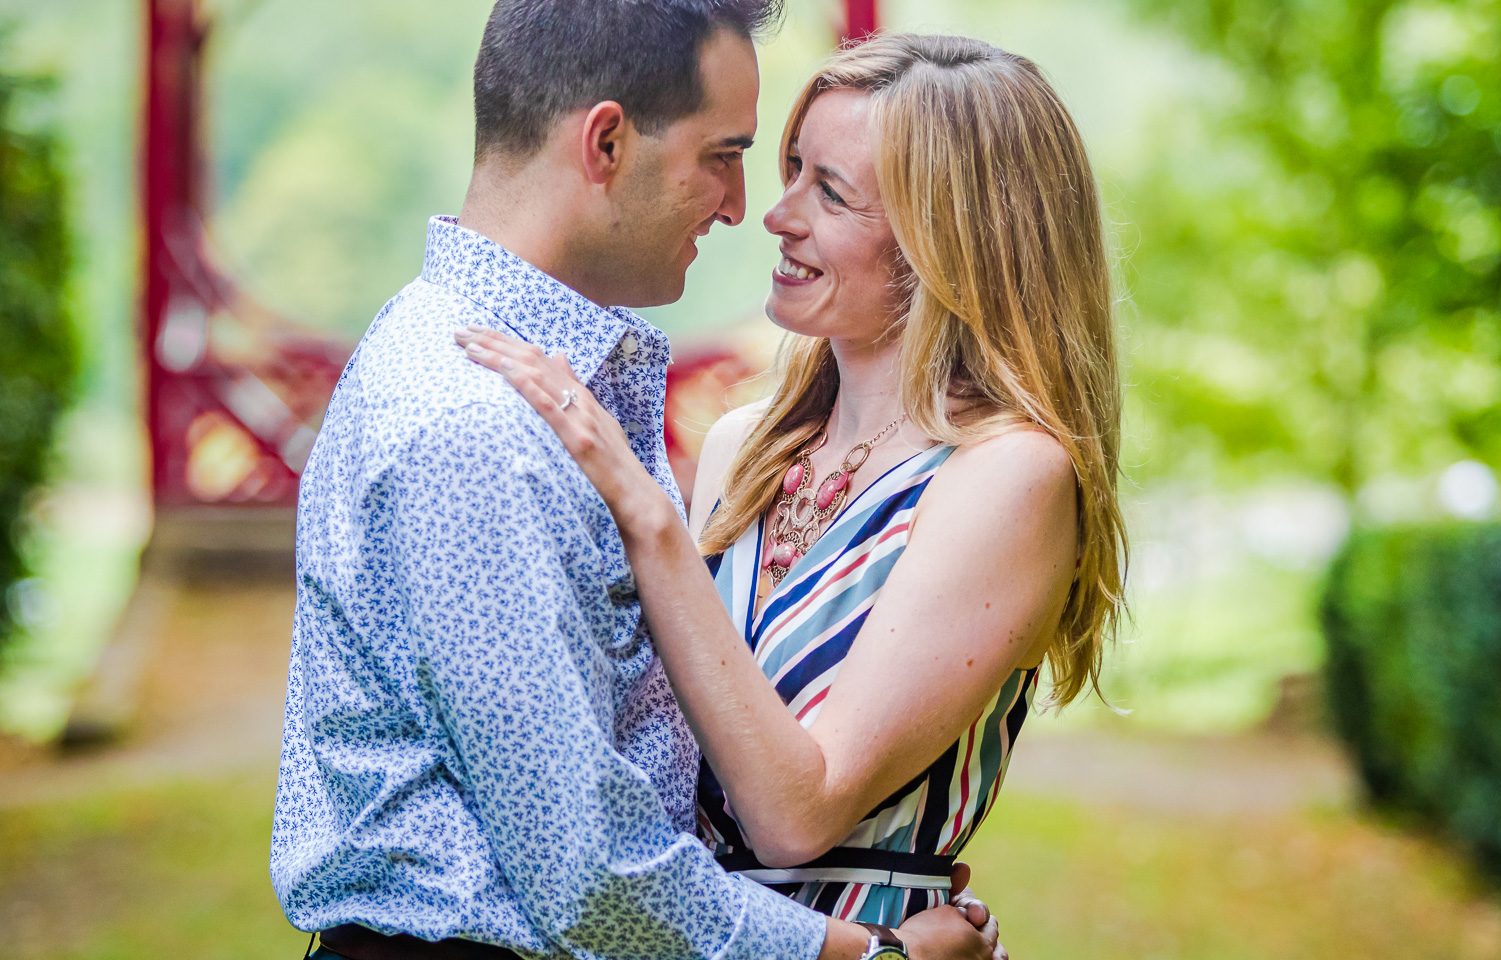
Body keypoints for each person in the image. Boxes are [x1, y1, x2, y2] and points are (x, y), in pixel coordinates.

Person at [271, 3, 997, 959]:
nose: (741, 207)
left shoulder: (513, 380)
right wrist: (872, 954)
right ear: (606, 142)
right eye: (722, 155)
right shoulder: (476, 424)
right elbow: (590, 874)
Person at [458, 31, 1126, 932]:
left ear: (949, 241)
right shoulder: (746, 447)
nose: (776, 215)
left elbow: (795, 815)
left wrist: (648, 518)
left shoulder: (1009, 475)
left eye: (832, 193)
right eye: (793, 169)